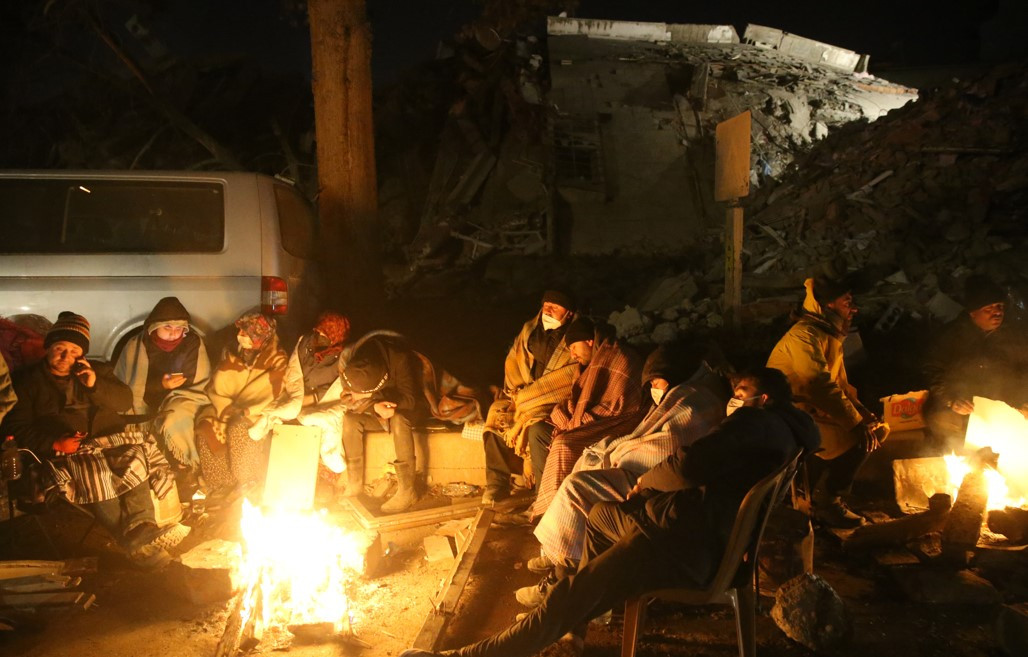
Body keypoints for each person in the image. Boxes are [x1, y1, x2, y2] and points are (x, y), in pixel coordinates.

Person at [399, 368, 819, 657]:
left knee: (570, 590)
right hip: (694, 532)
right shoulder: (785, 430)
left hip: (678, 547)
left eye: (740, 394)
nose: (732, 399)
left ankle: (521, 632)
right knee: (599, 513)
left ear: (762, 399)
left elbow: (688, 463)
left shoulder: (753, 425)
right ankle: (581, 613)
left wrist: (645, 484)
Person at [523, 346, 729, 604]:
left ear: (673, 374)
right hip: (658, 477)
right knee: (583, 464)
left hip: (662, 489)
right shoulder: (683, 395)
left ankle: (561, 578)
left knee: (578, 486)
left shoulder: (691, 406)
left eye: (655, 381)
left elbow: (664, 448)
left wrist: (618, 451)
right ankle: (561, 557)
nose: (653, 387)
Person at [1, 312, 186, 565]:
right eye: (59, 349)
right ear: (49, 347)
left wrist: (93, 385)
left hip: (107, 439)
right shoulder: (27, 382)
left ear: (82, 354)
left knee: (135, 457)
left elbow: (124, 401)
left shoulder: (96, 371)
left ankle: (143, 527)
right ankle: (137, 544)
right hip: (67, 450)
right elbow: (16, 426)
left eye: (73, 351)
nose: (66, 357)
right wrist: (54, 443)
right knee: (94, 472)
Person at [767, 277, 887, 528]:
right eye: (847, 303)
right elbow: (819, 385)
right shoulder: (804, 336)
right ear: (827, 306)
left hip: (809, 409)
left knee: (877, 429)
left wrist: (863, 413)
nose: (853, 309)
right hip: (787, 413)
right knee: (857, 440)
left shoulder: (826, 334)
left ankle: (824, 492)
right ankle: (827, 502)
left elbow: (840, 385)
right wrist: (854, 423)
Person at [529, 316, 643, 519]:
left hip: (613, 423)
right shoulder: (587, 365)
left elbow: (619, 405)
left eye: (574, 347)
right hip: (587, 420)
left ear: (589, 341)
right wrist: (569, 416)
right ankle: (543, 499)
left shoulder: (619, 357)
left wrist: (581, 421)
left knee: (564, 445)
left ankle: (554, 514)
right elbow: (576, 398)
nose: (572, 355)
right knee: (538, 431)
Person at [481, 289, 580, 503]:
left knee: (535, 427)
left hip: (553, 401)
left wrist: (531, 397)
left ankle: (541, 496)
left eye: (556, 306)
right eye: (546, 305)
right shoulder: (529, 330)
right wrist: (518, 394)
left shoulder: (575, 337)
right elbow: (513, 362)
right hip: (523, 397)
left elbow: (569, 377)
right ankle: (497, 484)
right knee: (496, 413)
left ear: (569, 313)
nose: (549, 309)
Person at [923, 275, 1028, 447]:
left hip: (1001, 405)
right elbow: (933, 369)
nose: (997, 312)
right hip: (963, 403)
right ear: (973, 313)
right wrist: (951, 399)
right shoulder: (953, 335)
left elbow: (1024, 370)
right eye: (989, 308)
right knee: (941, 420)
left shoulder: (1013, 336)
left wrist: (1023, 401)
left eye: (1000, 306)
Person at [113, 297, 211, 473]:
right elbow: (126, 385)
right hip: (144, 397)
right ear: (154, 327)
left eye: (179, 328)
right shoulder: (137, 345)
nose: (173, 333)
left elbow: (198, 382)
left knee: (176, 414)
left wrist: (172, 387)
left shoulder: (192, 344)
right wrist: (161, 384)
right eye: (167, 328)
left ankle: (184, 465)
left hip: (184, 396)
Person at [195, 312, 288, 496]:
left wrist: (245, 409)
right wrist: (226, 406)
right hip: (226, 404)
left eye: (247, 333)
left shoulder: (277, 358)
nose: (241, 336)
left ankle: (247, 481)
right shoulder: (232, 352)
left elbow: (271, 390)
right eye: (240, 332)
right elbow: (219, 383)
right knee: (206, 425)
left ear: (260, 335)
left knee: (238, 429)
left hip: (257, 411)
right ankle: (220, 484)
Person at [257, 312, 352, 479]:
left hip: (323, 401)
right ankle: (270, 476)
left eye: (325, 334)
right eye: (319, 331)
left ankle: (323, 472)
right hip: (299, 394)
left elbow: (338, 388)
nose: (320, 336)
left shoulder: (343, 356)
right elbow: (294, 371)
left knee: (310, 419)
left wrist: (311, 399)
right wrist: (296, 397)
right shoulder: (307, 343)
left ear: (335, 334)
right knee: (280, 415)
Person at [337, 332, 424, 513]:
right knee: (350, 420)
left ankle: (407, 490)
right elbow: (354, 401)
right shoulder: (355, 360)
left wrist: (388, 405)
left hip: (406, 410)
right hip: (380, 409)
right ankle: (354, 485)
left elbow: (411, 399)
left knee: (399, 419)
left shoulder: (399, 359)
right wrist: (374, 406)